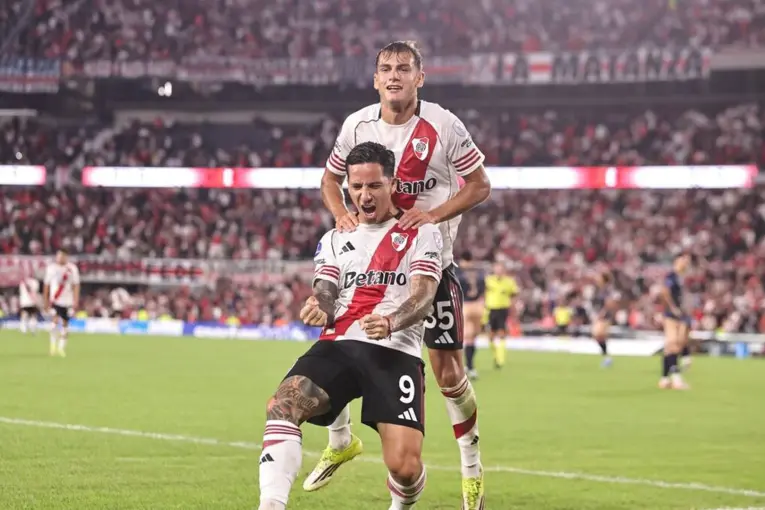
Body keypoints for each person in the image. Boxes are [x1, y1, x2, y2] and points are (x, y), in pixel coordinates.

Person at [312, 40, 490, 508]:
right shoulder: (357, 125)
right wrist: (341, 214)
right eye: (386, 68)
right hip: (369, 266)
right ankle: (339, 440)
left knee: (449, 374)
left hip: (429, 267)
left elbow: (480, 185)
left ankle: (472, 467)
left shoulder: (444, 126)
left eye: (404, 68)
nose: (394, 76)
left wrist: (434, 215)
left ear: (419, 77)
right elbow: (330, 179)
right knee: (335, 339)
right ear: (375, 79)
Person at [258, 142, 442, 510]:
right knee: (283, 404)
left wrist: (390, 321)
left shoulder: (420, 232)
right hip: (339, 343)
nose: (364, 195)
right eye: (356, 187)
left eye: (374, 185)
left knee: (404, 468)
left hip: (394, 351)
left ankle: (401, 504)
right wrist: (319, 306)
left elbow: (424, 296)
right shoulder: (336, 237)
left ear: (392, 184)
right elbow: (326, 290)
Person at [659, 253, 692, 390]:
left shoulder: (682, 278)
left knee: (672, 347)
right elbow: (665, 292)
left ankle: (664, 378)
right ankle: (677, 378)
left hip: (681, 314)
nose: (686, 263)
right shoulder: (671, 276)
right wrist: (672, 308)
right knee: (673, 344)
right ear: (677, 260)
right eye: (684, 260)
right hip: (671, 315)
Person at [43, 249, 80, 357]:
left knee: (65, 324)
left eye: (61, 256)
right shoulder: (51, 268)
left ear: (66, 257)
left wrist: (75, 301)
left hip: (67, 301)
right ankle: (53, 347)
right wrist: (46, 301)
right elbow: (46, 285)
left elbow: (76, 285)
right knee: (54, 322)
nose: (59, 258)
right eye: (58, 256)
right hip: (55, 300)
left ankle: (61, 348)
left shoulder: (72, 269)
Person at [484, 261, 518, 369]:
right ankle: (496, 356)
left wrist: (513, 309)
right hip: (490, 309)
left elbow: (514, 295)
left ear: (504, 270)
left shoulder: (509, 282)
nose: (498, 271)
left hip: (503, 309)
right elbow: (483, 293)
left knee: (501, 333)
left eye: (500, 269)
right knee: (490, 335)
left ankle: (500, 360)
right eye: (497, 269)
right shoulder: (488, 280)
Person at [457, 252, 485, 380]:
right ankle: (470, 366)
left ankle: (468, 366)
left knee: (467, 337)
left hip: (466, 305)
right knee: (472, 337)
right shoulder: (479, 274)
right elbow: (483, 290)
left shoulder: (458, 274)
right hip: (478, 305)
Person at [591, 272, 616, 367]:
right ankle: (606, 357)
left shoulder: (607, 290)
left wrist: (603, 312)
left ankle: (606, 357)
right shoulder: (598, 290)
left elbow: (609, 303)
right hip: (598, 315)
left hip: (604, 316)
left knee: (598, 333)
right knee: (598, 336)